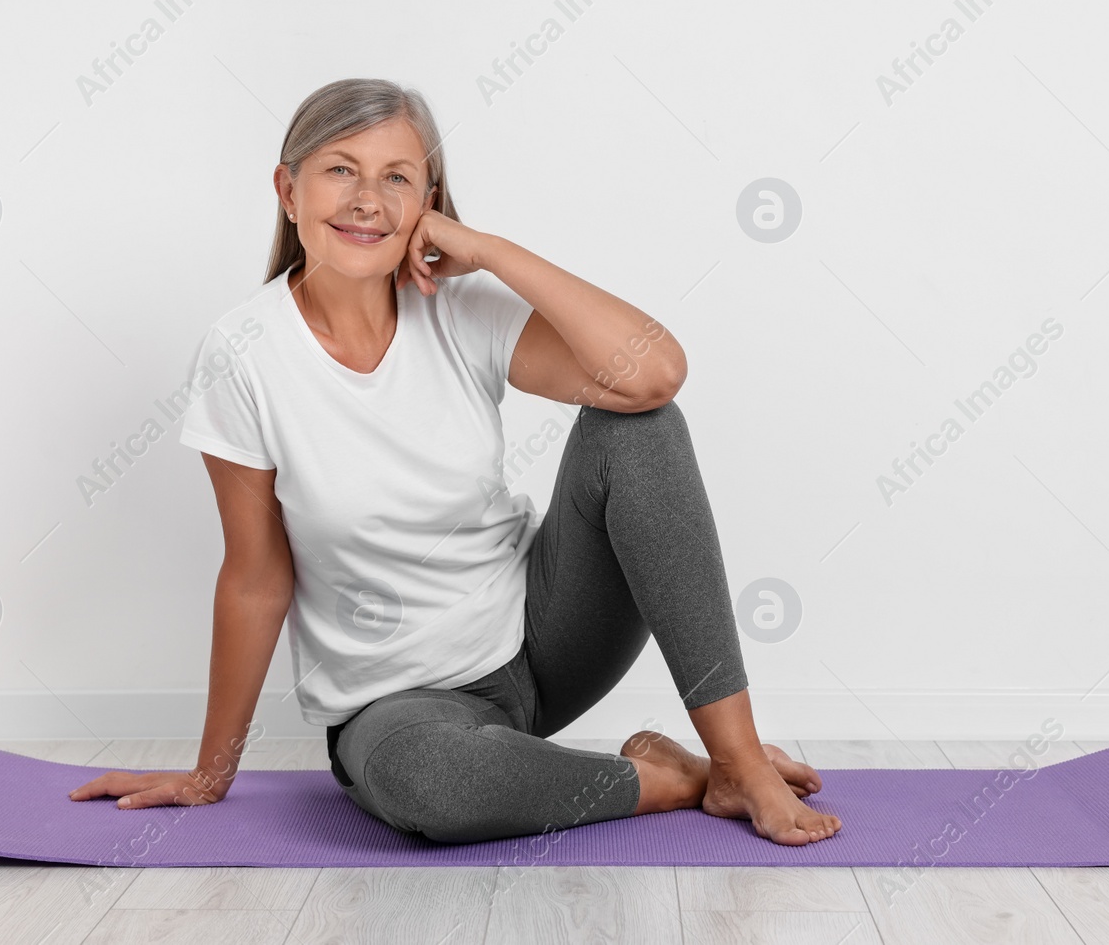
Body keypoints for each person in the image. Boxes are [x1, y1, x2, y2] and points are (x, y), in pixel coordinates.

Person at [67, 78, 842, 846]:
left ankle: (738, 759)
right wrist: (211, 773)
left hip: (543, 643)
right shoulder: (243, 353)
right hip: (398, 708)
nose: (368, 198)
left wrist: (491, 251)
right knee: (434, 784)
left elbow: (654, 372)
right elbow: (256, 575)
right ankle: (677, 779)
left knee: (639, 426)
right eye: (341, 169)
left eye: (396, 178)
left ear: (428, 201)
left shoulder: (459, 309)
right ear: (288, 190)